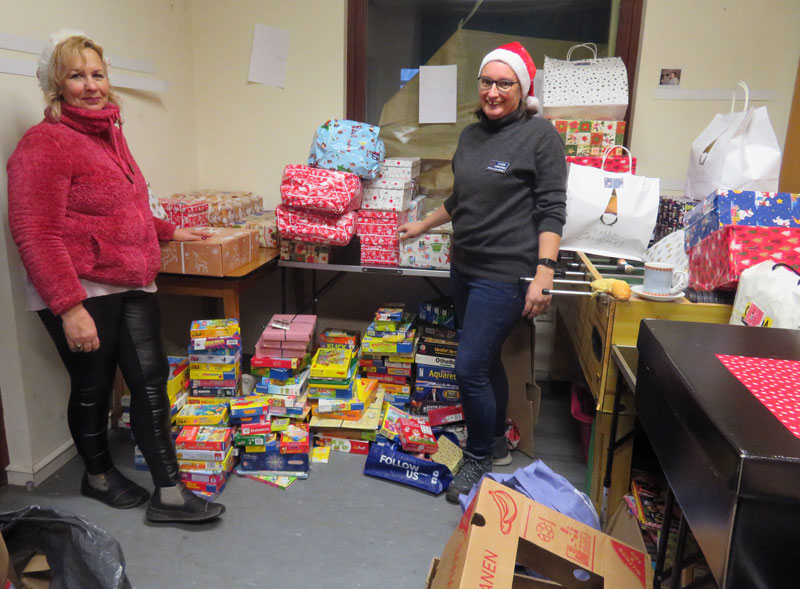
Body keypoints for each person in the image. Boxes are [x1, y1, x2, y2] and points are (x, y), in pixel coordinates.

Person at [7, 30, 225, 523]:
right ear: (55, 84)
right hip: (80, 285)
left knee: (150, 380)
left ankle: (168, 492)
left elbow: (123, 209)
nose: (91, 86)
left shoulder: (109, 133)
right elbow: (34, 231)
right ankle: (98, 474)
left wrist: (170, 232)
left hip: (130, 278)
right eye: (76, 75)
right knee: (94, 384)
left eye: (97, 74)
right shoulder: (44, 144)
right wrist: (69, 307)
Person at [398, 42, 567, 504]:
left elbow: (552, 210)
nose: (493, 92)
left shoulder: (541, 137)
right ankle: (494, 442)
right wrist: (424, 223)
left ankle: (476, 458)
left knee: (468, 366)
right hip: (465, 266)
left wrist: (544, 273)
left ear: (522, 89)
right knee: (485, 360)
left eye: (504, 83)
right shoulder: (472, 136)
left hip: (506, 272)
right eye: (487, 82)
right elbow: (463, 199)